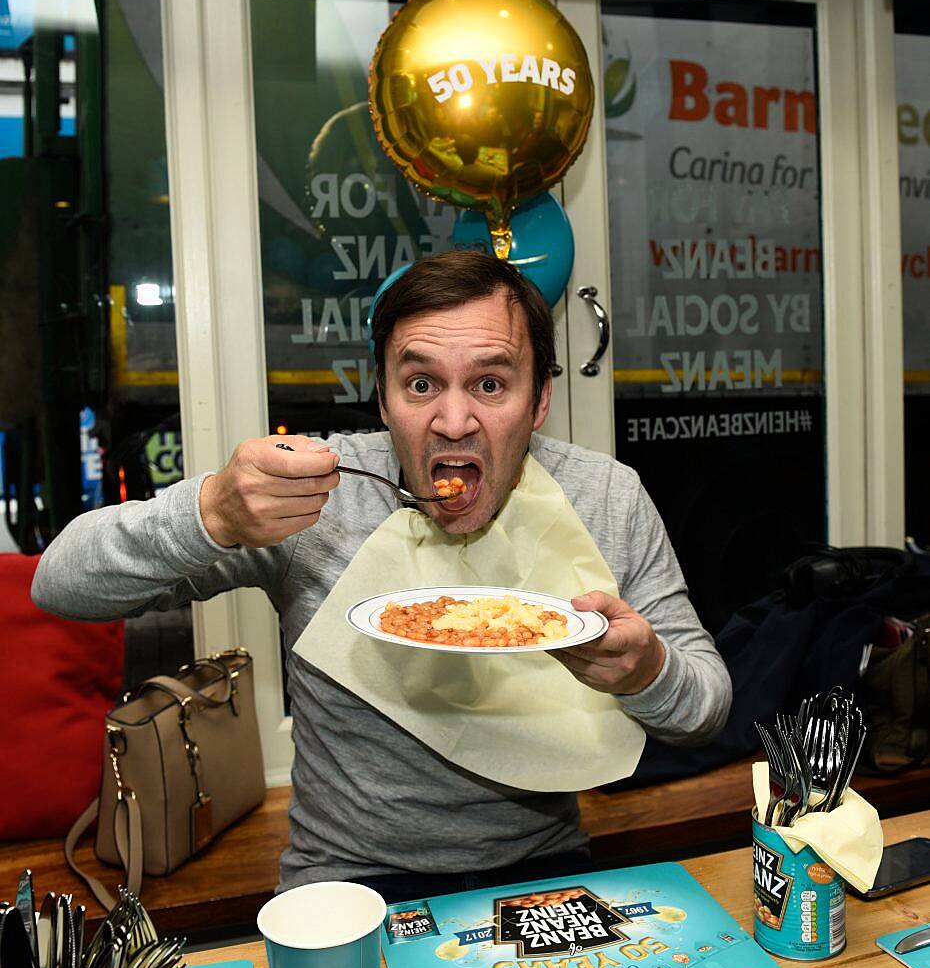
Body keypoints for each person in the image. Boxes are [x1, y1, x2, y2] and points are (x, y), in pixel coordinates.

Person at [33, 250, 732, 903]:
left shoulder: (605, 498)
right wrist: (211, 512)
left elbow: (705, 707)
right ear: (383, 394)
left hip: (542, 870)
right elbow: (60, 584)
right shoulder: (318, 497)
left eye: (491, 384)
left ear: (540, 399)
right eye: (421, 383)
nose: (453, 421)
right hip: (344, 882)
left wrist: (646, 672)